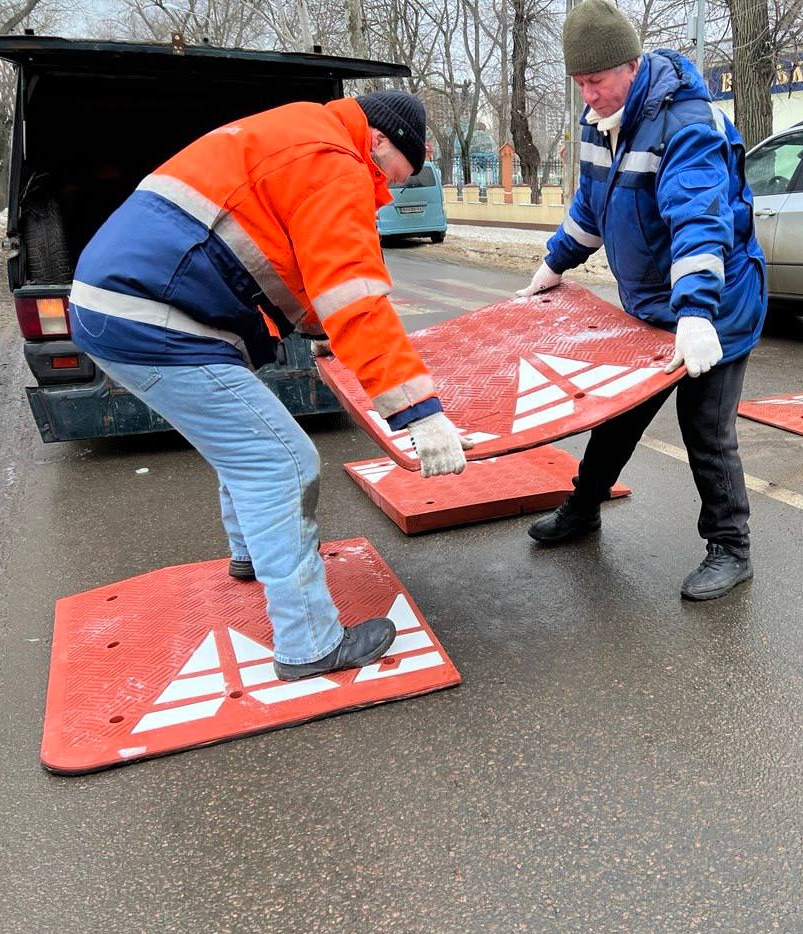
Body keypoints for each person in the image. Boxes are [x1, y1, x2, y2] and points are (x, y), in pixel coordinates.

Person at [69, 90, 471, 679]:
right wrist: (421, 413)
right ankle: (309, 645)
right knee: (280, 462)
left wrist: (323, 328)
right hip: (153, 319)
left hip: (120, 306)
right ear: (379, 141)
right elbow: (353, 295)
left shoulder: (301, 133)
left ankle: (252, 556)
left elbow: (291, 261)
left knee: (246, 446)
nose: (386, 190)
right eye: (391, 175)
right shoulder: (336, 162)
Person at [518, 0, 766, 601]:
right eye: (579, 82)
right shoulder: (598, 120)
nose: (589, 94)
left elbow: (699, 222)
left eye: (597, 80)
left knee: (705, 430)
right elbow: (591, 208)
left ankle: (730, 548)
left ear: (631, 66)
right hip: (650, 309)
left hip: (715, 307)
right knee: (617, 413)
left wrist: (697, 314)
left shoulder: (686, 123)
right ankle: (584, 509)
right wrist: (553, 263)